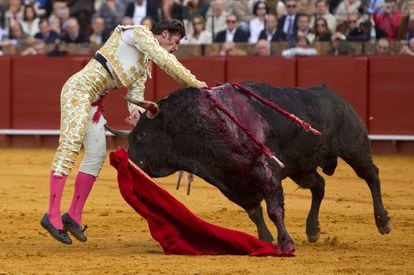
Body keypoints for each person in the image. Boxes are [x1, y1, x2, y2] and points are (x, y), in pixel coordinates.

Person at [40, 19, 207, 245]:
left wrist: (135, 113)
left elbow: (136, 93)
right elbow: (165, 60)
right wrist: (195, 84)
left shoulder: (144, 61)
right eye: (176, 41)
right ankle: (51, 214)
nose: (176, 47)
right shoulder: (137, 34)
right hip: (78, 91)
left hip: (94, 102)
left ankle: (73, 215)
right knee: (69, 148)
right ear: (165, 34)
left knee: (96, 155)